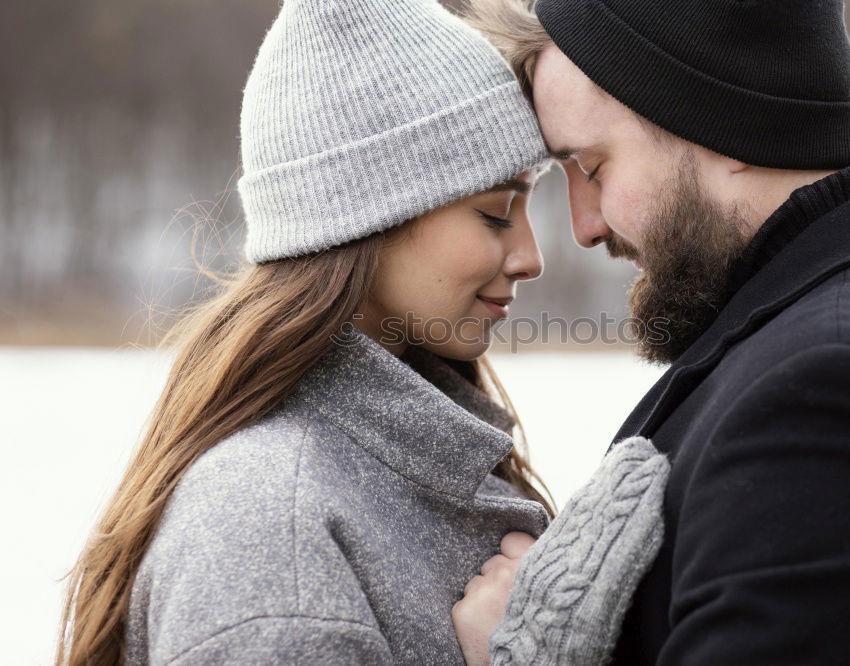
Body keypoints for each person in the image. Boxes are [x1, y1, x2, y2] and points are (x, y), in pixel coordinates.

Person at [453, 0, 850, 664]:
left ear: (718, 121)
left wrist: (520, 652)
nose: (584, 227)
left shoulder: (838, 400)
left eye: (593, 168)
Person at [55, 0, 557, 664]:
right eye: (496, 211)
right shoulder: (269, 535)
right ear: (364, 219)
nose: (531, 256)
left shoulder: (399, 464)